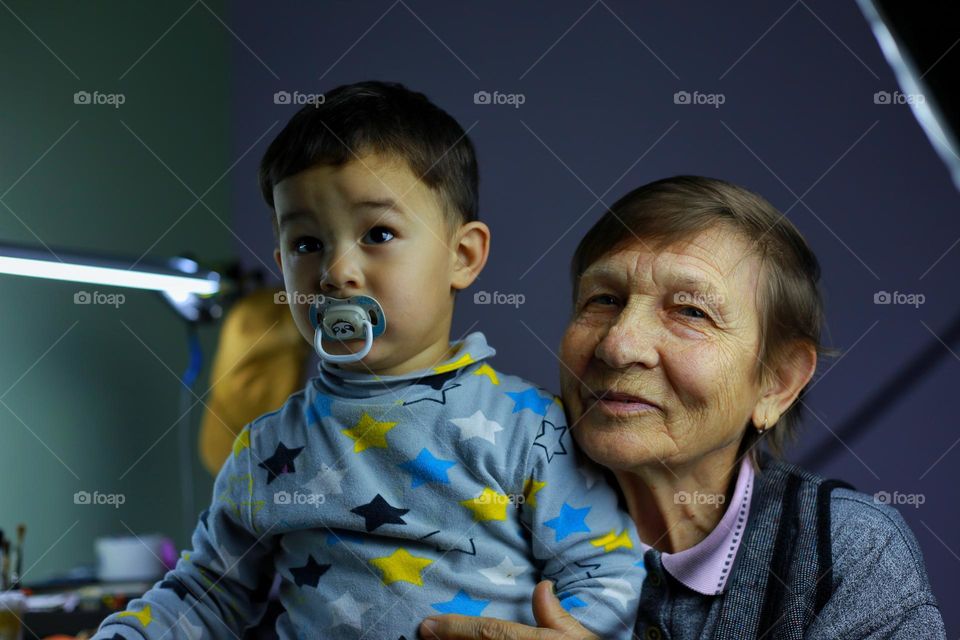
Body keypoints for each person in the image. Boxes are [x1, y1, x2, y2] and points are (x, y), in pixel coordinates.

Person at [91, 81, 645, 640]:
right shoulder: (266, 450)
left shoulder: (532, 429)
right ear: (282, 263)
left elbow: (608, 578)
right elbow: (205, 597)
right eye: (308, 244)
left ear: (462, 256)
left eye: (378, 233)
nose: (336, 271)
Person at [420, 176, 946, 639]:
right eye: (603, 299)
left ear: (776, 384)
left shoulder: (845, 554)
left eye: (691, 311)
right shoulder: (468, 489)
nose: (619, 345)